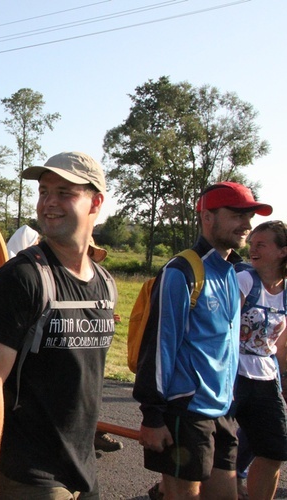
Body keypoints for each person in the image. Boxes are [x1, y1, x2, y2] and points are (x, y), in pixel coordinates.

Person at [0, 151, 116, 499]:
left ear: (95, 203)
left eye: (64, 193)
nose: (48, 203)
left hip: (83, 469)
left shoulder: (105, 284)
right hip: (31, 474)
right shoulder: (19, 279)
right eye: (44, 191)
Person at [134, 181, 272, 499]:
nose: (247, 224)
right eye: (237, 214)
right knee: (182, 496)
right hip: (186, 410)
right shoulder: (181, 271)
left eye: (249, 215)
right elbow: (158, 346)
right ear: (208, 217)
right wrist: (152, 415)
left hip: (223, 411)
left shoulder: (236, 272)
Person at [233, 220, 287, 500]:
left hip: (266, 376)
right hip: (233, 373)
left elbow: (281, 345)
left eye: (261, 245)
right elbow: (224, 332)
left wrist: (285, 381)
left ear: (282, 252)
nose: (252, 250)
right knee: (218, 449)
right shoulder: (244, 280)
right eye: (252, 244)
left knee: (274, 451)